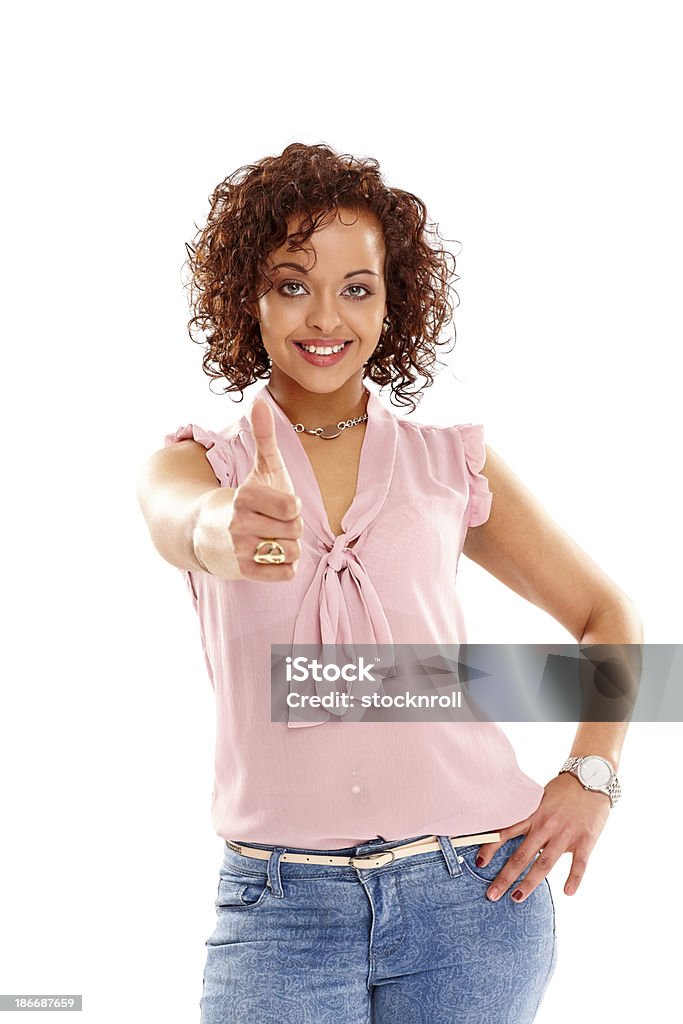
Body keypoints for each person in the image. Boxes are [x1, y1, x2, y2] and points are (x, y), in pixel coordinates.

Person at [137, 142, 643, 1023]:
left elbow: (606, 615)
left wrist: (591, 776)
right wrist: (226, 530)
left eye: (356, 287)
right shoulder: (202, 465)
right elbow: (182, 522)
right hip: (280, 909)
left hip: (474, 895)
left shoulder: (453, 462)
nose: (323, 315)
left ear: (391, 302)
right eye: (292, 282)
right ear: (244, 296)